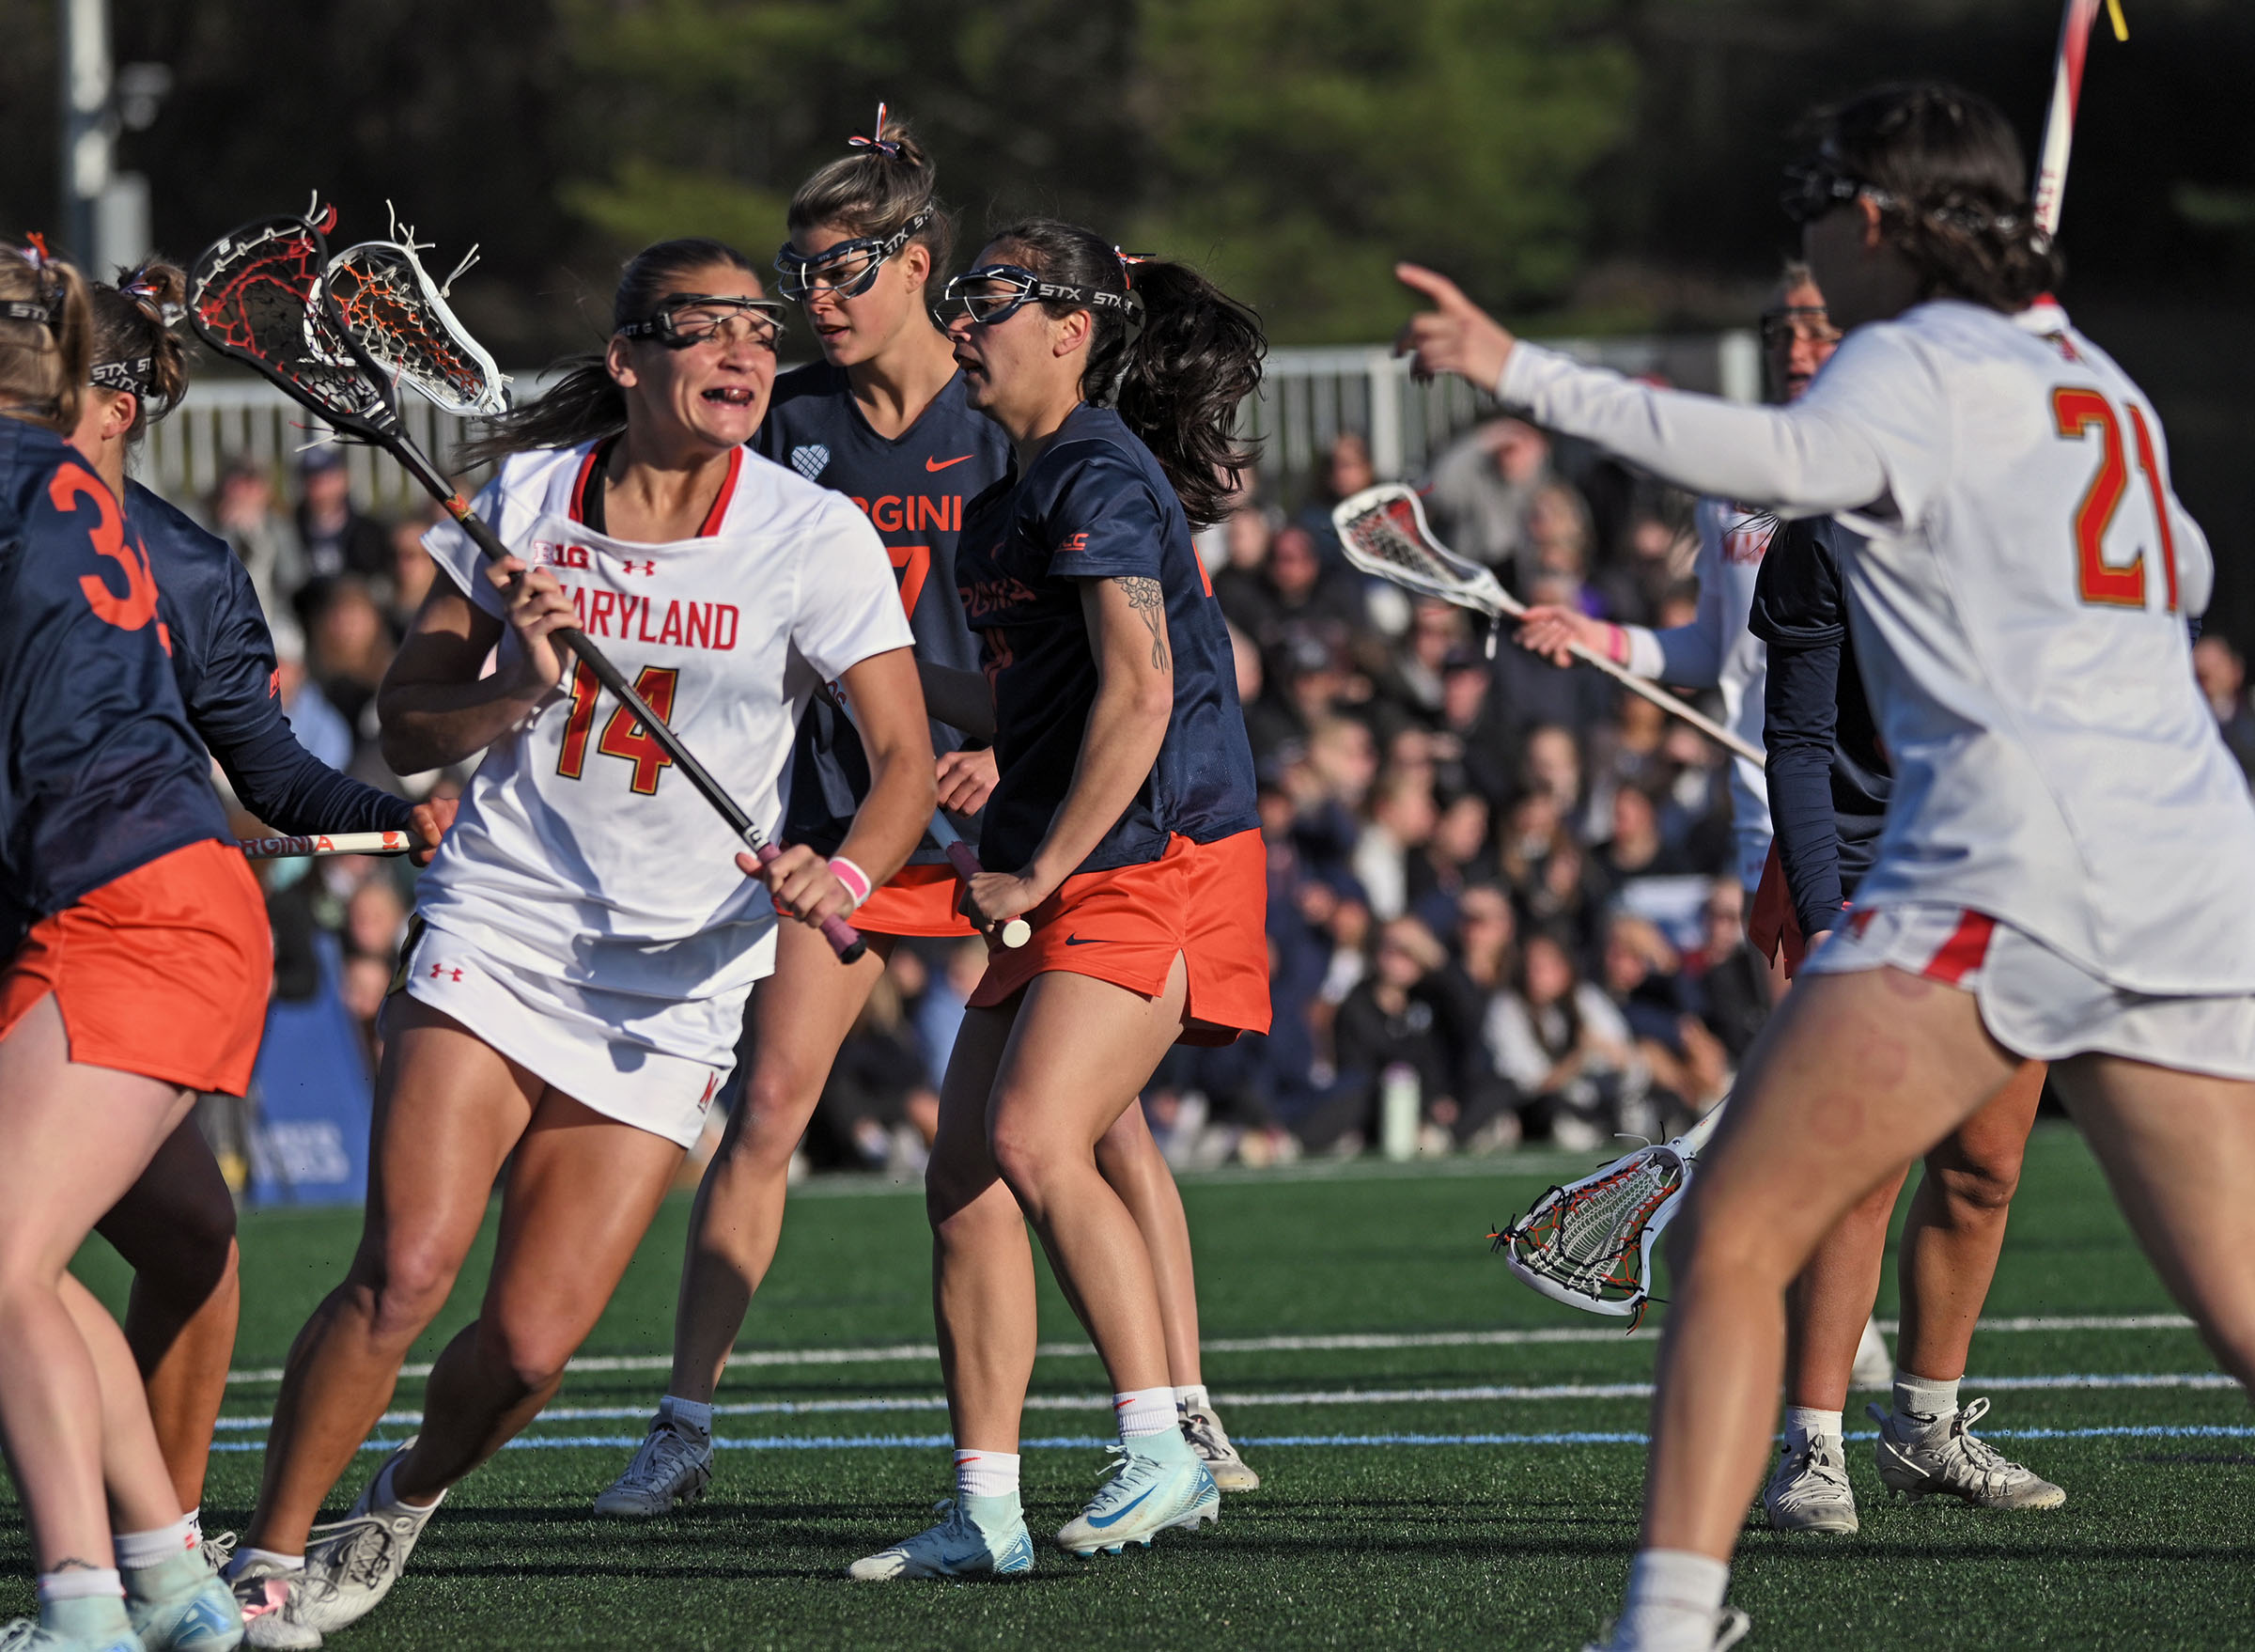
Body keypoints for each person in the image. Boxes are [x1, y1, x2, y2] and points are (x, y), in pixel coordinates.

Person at [1399, 81, 2255, 1652]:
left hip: (2012, 861)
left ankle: (1667, 1623)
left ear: (1870, 221)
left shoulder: (1907, 356)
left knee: (1734, 1226)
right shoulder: (2102, 381)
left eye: (1813, 215)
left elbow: (1748, 451)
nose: (1801, 261)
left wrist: (1518, 368)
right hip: (2200, 866)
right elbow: (2186, 567)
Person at [219, 237, 935, 1647]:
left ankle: (403, 1497)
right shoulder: (523, 499)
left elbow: (905, 758)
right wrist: (517, 684)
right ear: (627, 361)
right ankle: (263, 1556)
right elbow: (406, 725)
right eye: (703, 327)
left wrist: (844, 870)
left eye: (756, 327)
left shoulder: (813, 531)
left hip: (677, 980)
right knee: (409, 1269)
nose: (741, 351)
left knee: (534, 1345)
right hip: (503, 921)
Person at [592, 107, 1262, 1523]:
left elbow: (1140, 682)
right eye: (800, 274)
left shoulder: (1055, 447)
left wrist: (1014, 792)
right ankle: (812, 1451)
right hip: (893, 814)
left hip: (1087, 829)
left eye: (845, 272)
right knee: (839, 1121)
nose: (814, 303)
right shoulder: (809, 430)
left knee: (1071, 1131)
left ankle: (1172, 1419)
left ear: (923, 270)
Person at [849, 219, 1268, 1579]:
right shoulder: (1011, 495)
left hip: (1155, 855)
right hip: (1081, 858)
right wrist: (846, 673)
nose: (959, 327)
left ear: (1072, 329)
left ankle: (1162, 1442)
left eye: (988, 303)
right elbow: (1031, 695)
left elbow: (1142, 691)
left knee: (1037, 1135)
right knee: (962, 1168)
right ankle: (985, 1503)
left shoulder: (1096, 466)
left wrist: (1036, 864)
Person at [63, 260, 446, 1546]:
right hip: (54, 925)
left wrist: (395, 812)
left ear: (114, 404)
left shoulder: (183, 564)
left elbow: (269, 771)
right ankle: (107, 1567)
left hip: (91, 938)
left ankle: (147, 1555)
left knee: (189, 1244)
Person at [0, 240, 254, 1652]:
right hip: (141, 901)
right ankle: (166, 1582)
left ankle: (82, 1606)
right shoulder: (61, 488)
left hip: (125, 911)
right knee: (29, 1265)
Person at [1748, 507, 2059, 1533]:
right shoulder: (1821, 539)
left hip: (1997, 862)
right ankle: (1813, 1444)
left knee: (1984, 1164)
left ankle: (1924, 1430)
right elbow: (1796, 741)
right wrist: (1831, 921)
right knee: (1862, 1167)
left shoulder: (2031, 516)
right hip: (1863, 867)